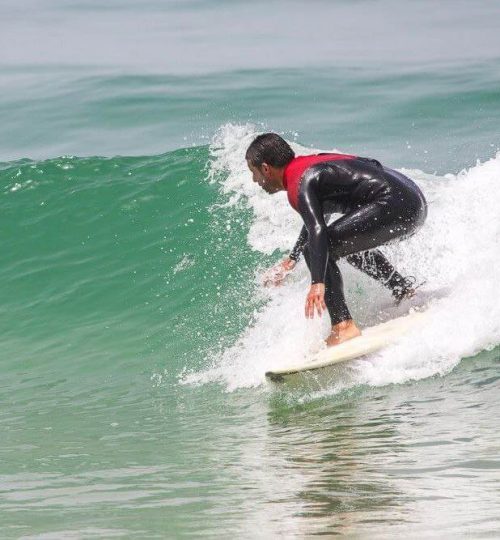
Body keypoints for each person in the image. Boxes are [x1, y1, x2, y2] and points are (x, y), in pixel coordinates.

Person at [246, 133, 427, 346]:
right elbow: (318, 221)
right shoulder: (308, 167)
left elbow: (317, 230)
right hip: (412, 201)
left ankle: (343, 326)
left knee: (322, 248)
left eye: (254, 172)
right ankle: (403, 290)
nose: (254, 180)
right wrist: (291, 260)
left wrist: (317, 283)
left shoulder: (300, 182)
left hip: (395, 204)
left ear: (266, 168)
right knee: (342, 242)